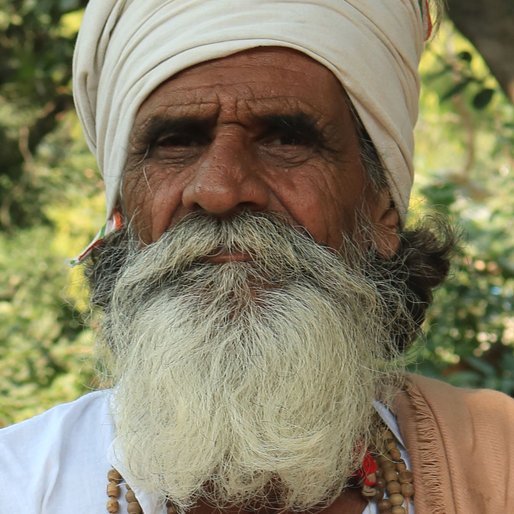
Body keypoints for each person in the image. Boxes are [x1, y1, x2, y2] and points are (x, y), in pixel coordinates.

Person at [1, 1, 513, 513]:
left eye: (287, 139)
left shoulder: (497, 463)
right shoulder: (22, 484)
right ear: (121, 212)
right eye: (175, 142)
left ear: (383, 210)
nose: (220, 190)